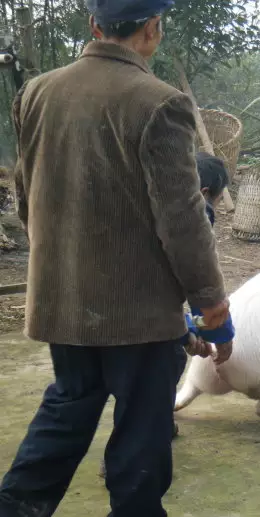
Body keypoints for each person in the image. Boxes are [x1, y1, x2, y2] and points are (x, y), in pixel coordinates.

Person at [0, 2, 231, 516]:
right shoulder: (160, 102)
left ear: (94, 27)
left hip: (63, 302)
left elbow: (25, 191)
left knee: (68, 409)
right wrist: (211, 303)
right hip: (139, 314)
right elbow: (183, 220)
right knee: (142, 431)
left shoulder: (35, 92)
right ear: (152, 29)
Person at [97, 151, 236, 480]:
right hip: (145, 317)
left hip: (100, 308)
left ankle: (157, 427)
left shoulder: (134, 199)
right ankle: (124, 460)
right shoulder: (193, 214)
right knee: (154, 376)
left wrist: (188, 329)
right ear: (203, 195)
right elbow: (198, 280)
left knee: (126, 382)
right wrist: (216, 333)